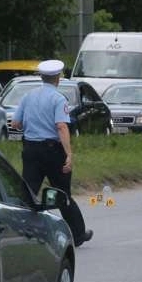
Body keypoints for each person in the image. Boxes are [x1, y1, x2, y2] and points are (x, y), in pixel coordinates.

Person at [11, 59, 93, 246]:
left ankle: (22, 231)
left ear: (41, 77)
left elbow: (15, 123)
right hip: (53, 151)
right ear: (58, 78)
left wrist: (33, 123)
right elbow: (61, 127)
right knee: (62, 193)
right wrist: (69, 155)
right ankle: (78, 234)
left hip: (31, 149)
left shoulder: (28, 96)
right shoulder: (58, 99)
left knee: (28, 192)